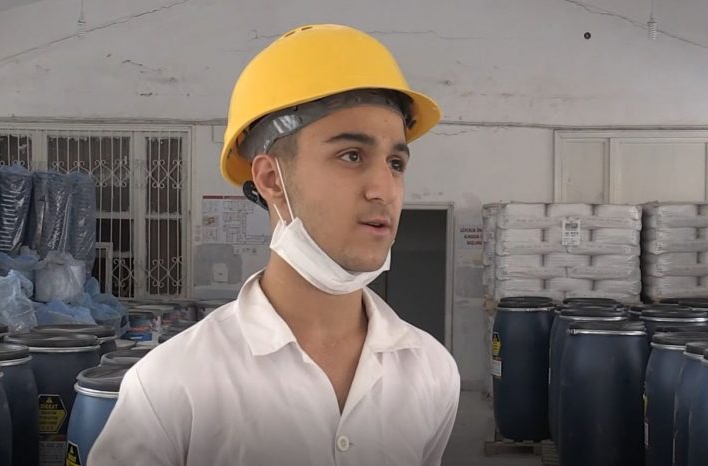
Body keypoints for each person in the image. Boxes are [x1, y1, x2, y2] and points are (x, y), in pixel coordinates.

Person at [89, 24, 460, 465]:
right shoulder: (171, 386)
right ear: (270, 179)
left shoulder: (431, 372)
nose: (384, 189)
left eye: (396, 163)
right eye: (351, 156)